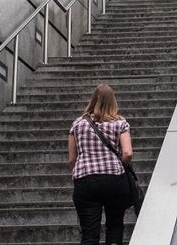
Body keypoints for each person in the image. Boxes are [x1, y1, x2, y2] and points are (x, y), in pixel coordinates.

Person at [68, 84, 133, 245]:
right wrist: (120, 166)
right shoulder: (120, 123)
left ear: (93, 100)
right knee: (115, 226)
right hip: (114, 180)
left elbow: (72, 159)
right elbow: (127, 153)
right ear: (113, 101)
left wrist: (79, 172)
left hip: (86, 180)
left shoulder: (77, 124)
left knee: (89, 233)